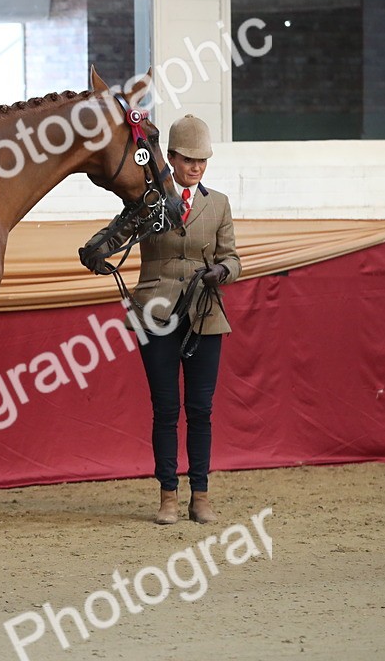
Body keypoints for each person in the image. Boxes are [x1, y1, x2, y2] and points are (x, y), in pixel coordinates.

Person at [82, 114, 241, 525]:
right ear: (170, 158)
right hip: (156, 312)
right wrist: (98, 248)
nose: (197, 167)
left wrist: (221, 272)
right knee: (166, 408)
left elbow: (233, 258)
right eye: (189, 159)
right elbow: (119, 233)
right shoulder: (150, 200)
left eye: (203, 160)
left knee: (201, 409)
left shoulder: (218, 203)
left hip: (204, 313)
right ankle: (168, 495)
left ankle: (200, 495)